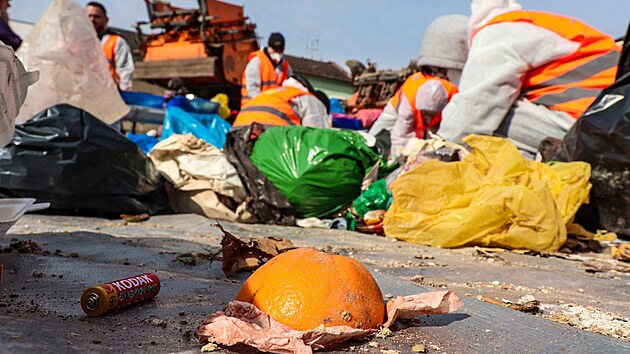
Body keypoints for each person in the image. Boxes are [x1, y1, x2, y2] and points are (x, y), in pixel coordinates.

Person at [438, 0, 621, 158]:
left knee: (489, 119)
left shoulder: (495, 34)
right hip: (611, 121)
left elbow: (474, 108)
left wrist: (437, 151)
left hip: (590, 129)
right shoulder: (530, 25)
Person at [369, 15, 469, 153]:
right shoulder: (410, 99)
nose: (427, 118)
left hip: (436, 123)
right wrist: (402, 159)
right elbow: (401, 135)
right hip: (395, 113)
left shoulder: (453, 91)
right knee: (374, 140)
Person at [233, 75, 330, 128]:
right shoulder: (312, 100)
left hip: (235, 138)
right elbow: (317, 138)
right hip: (268, 140)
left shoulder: (274, 93)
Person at [86, 2, 135, 91]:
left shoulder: (116, 41)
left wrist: (123, 93)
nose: (92, 19)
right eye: (89, 16)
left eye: (96, 17)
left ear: (106, 19)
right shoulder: (76, 42)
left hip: (108, 94)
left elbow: (125, 71)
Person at [241, 32, 293, 108]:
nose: (277, 53)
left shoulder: (285, 66)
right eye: (275, 49)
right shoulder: (257, 62)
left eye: (280, 50)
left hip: (274, 110)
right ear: (269, 47)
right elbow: (252, 91)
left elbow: (291, 87)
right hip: (252, 109)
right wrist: (267, 104)